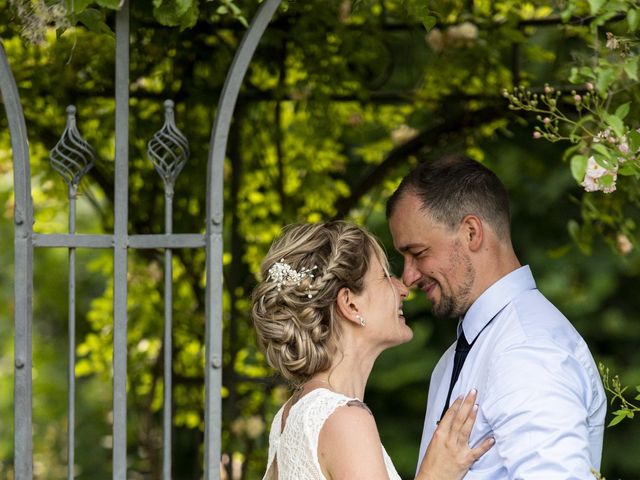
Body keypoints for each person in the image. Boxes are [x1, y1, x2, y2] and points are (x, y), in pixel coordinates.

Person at [386, 154, 607, 479]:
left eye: (418, 253)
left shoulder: (528, 350)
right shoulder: (462, 354)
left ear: (472, 233)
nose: (408, 277)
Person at [251, 221, 494, 480]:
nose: (403, 289)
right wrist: (435, 474)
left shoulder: (288, 416)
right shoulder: (345, 420)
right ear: (350, 304)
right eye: (385, 276)